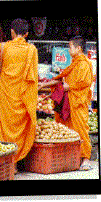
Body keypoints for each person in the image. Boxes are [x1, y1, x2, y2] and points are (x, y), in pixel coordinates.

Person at [0, 19, 38, 167]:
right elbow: (33, 79)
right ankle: (15, 163)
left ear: (12, 32)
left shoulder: (3, 48)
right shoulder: (32, 50)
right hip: (22, 98)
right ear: (26, 33)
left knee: (3, 129)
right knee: (20, 129)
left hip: (6, 97)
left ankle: (4, 163)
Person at [38, 36, 94, 170]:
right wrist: (42, 85)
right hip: (69, 102)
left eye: (70, 47)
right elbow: (62, 80)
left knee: (81, 129)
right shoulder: (74, 63)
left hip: (78, 103)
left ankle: (86, 158)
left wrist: (69, 87)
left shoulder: (85, 64)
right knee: (67, 129)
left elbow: (85, 83)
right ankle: (73, 158)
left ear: (78, 48)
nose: (69, 50)